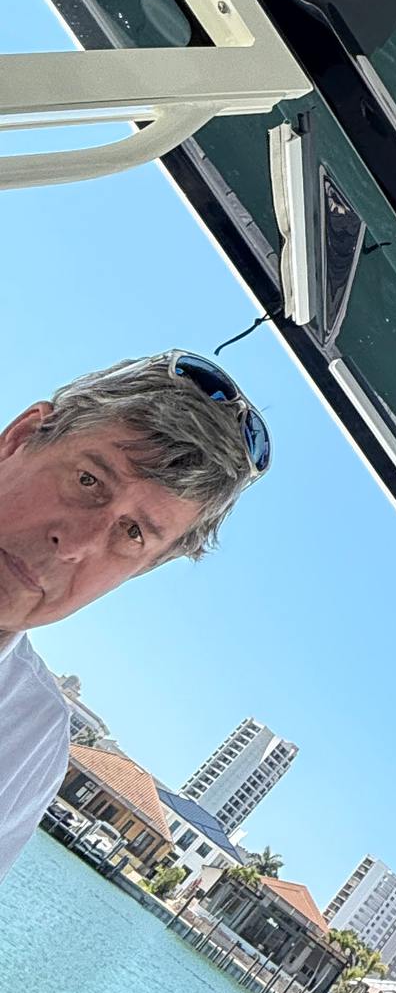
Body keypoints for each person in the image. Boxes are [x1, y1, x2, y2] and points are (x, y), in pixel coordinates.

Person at [0, 353, 269, 887]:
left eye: (132, 534)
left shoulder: (29, 738)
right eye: (88, 480)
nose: (74, 545)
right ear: (20, 438)